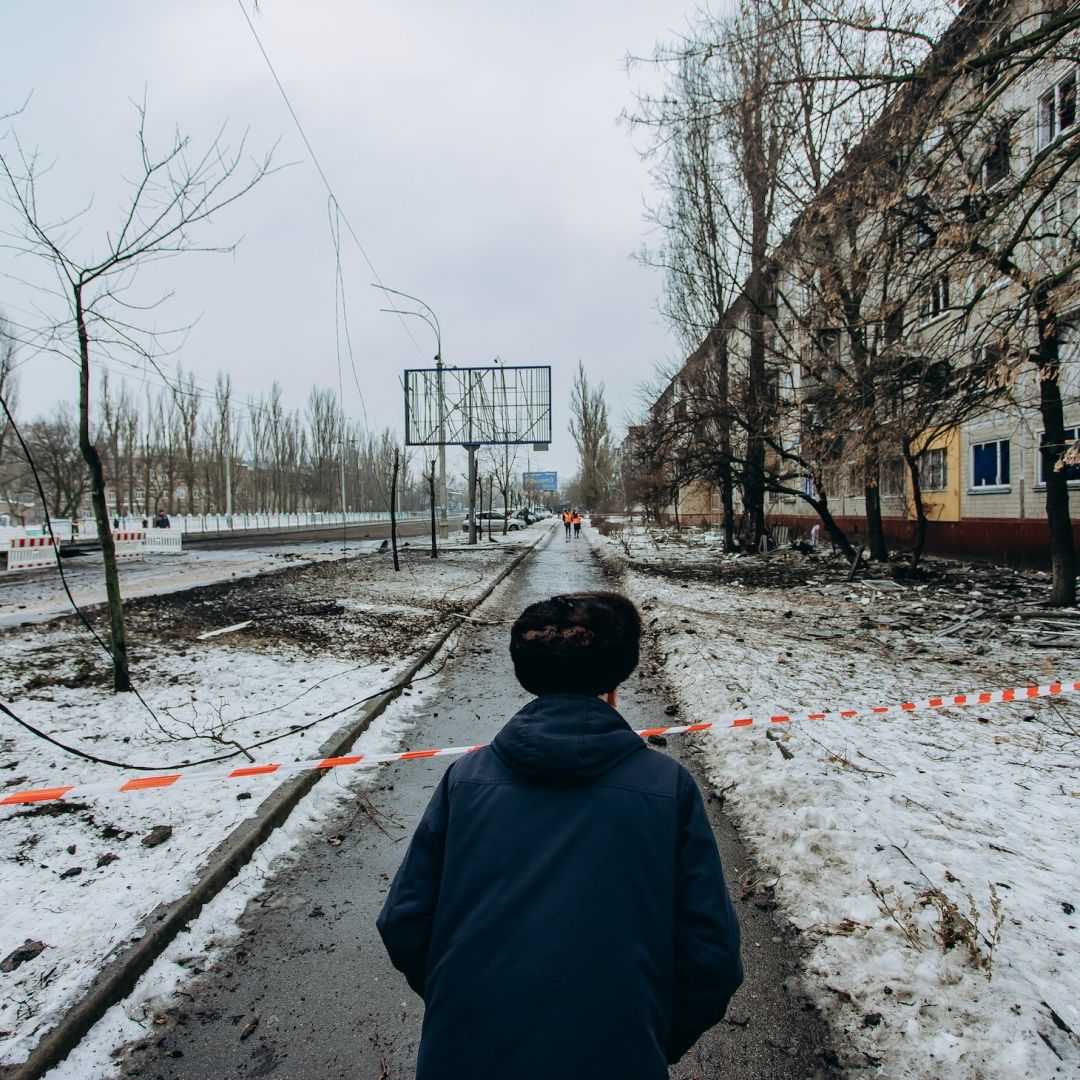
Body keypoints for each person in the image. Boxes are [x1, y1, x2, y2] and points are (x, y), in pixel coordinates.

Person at [377, 591, 743, 1080]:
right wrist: (646, 1040)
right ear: (616, 679)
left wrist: (466, 1008)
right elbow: (711, 956)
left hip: (463, 1054)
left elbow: (404, 921)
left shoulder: (465, 780)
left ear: (529, 673)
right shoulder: (666, 789)